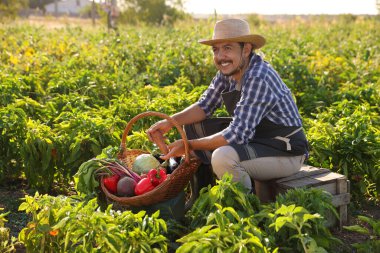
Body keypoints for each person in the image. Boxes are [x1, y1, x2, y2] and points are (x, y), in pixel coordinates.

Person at [147, 18, 309, 202]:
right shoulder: (229, 71)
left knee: (223, 157)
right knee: (193, 127)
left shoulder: (259, 77)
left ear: (246, 49)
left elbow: (236, 135)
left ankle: (246, 210)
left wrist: (188, 145)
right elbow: (204, 105)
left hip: (285, 151)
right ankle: (200, 196)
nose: (220, 56)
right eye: (216, 49)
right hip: (257, 139)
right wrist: (170, 122)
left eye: (228, 48)